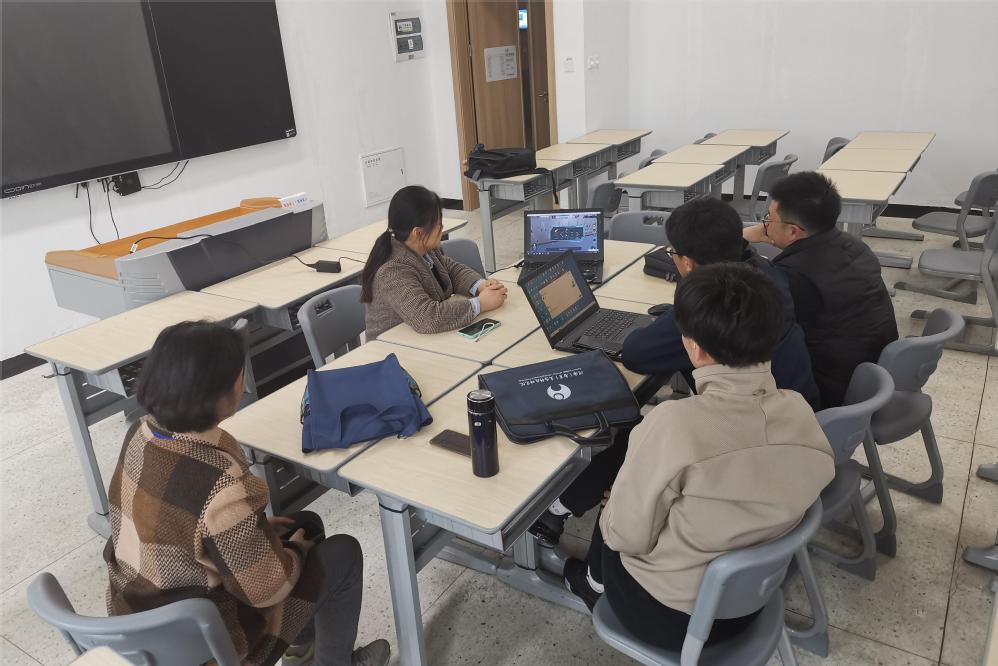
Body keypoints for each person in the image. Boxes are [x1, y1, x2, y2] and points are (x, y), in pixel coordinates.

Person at [563, 263, 835, 651]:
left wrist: (615, 506)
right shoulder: (798, 409)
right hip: (752, 602)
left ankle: (592, 586)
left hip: (671, 618)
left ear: (695, 348)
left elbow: (626, 537)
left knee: (616, 512)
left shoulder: (673, 424)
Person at [529, 197, 819, 547]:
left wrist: (617, 506)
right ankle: (564, 506)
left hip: (738, 459)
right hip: (789, 423)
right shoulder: (766, 278)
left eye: (673, 254)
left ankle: (560, 510)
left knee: (629, 429)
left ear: (688, 263)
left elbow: (636, 355)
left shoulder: (707, 313)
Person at [103, 321, 389, 666]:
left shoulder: (141, 432)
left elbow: (184, 525)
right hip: (209, 646)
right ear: (219, 392)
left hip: (139, 619)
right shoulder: (219, 486)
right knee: (343, 552)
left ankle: (300, 649)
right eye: (240, 372)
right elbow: (266, 589)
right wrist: (295, 550)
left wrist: (252, 530)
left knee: (307, 522)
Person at [744, 171, 898, 407]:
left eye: (768, 219)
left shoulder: (796, 275)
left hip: (828, 393)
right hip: (873, 377)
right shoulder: (856, 247)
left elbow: (767, 333)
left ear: (793, 231)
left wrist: (741, 243)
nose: (764, 225)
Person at [361, 185, 507, 340]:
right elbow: (427, 318)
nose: (442, 228)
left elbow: (452, 271)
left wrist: (479, 285)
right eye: (438, 225)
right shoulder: (392, 271)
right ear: (418, 233)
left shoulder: (425, 249)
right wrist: (480, 304)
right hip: (390, 348)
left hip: (422, 340)